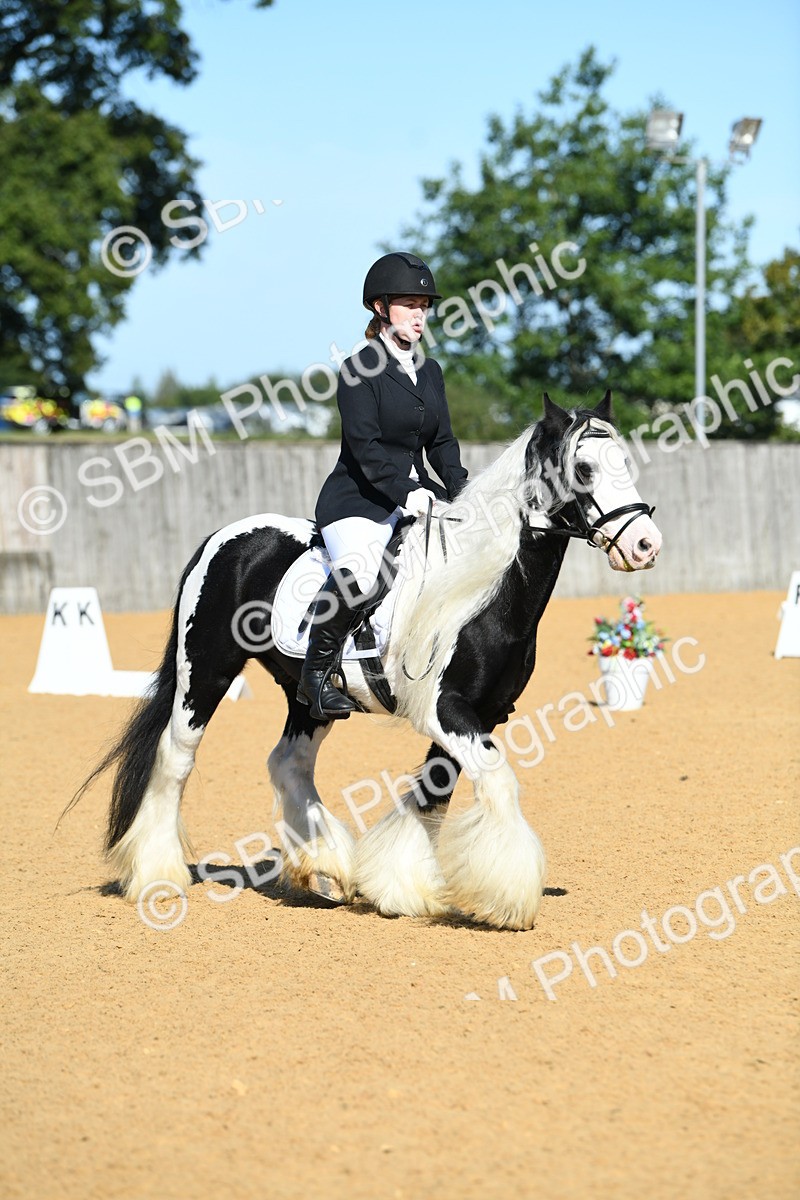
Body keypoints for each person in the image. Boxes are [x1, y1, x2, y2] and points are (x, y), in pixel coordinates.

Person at [297, 251, 469, 720]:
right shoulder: (359, 368)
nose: (419, 314)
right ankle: (314, 677)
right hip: (360, 500)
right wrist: (406, 491)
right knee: (361, 570)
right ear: (380, 308)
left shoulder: (429, 371)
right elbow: (365, 447)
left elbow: (443, 442)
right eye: (409, 304)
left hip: (418, 495)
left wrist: (462, 488)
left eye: (424, 306)